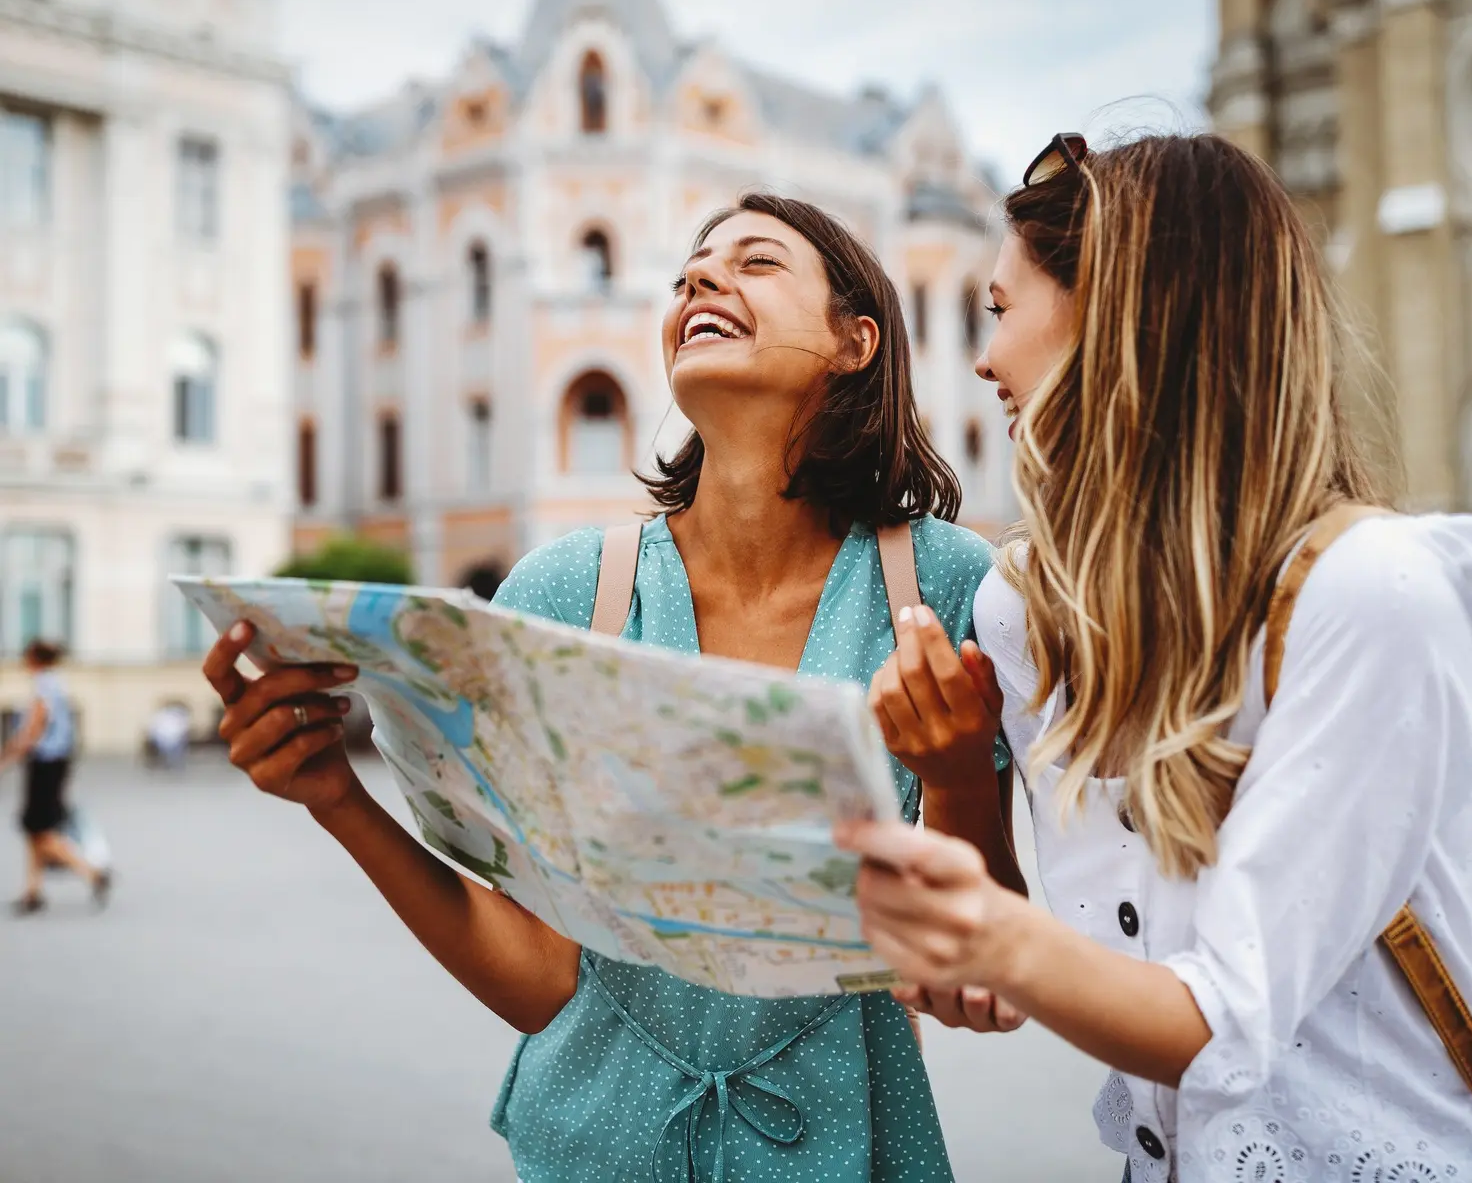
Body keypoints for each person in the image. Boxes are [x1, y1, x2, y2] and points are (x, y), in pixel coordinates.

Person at [200, 193, 1019, 1181]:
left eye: (754, 263)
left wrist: (962, 775)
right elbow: (542, 981)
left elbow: (981, 967)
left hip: (847, 1155)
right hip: (588, 1152)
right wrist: (338, 796)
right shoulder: (565, 589)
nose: (700, 281)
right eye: (689, 273)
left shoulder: (944, 585)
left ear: (856, 340)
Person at [838, 133, 1472, 1178]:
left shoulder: (1371, 591)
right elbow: (1026, 979)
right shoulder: (1027, 609)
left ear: (1116, 315)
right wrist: (951, 783)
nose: (982, 360)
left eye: (1000, 309)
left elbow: (1223, 1020)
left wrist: (980, 932)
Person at [5, 639, 111, 914]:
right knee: (35, 830)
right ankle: (33, 891)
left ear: (34, 659)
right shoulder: (57, 682)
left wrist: (7, 756)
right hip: (55, 762)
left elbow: (33, 729)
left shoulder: (44, 685)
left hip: (45, 764)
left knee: (41, 830)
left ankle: (93, 873)